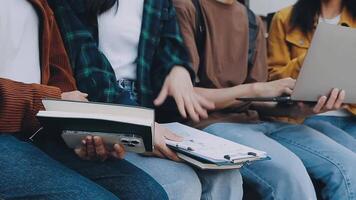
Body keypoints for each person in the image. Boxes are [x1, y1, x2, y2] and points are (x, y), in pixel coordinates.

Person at [48, 0, 242, 199]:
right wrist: (139, 124)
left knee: (225, 175)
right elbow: (89, 71)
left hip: (147, 111)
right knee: (181, 183)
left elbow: (170, 47)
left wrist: (177, 69)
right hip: (102, 114)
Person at [173, 0, 356, 199]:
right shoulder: (185, 7)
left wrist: (299, 110)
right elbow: (183, 95)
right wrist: (258, 88)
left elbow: (256, 102)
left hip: (259, 121)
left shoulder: (251, 20)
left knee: (349, 166)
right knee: (290, 174)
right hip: (210, 125)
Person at [0, 0, 168, 199]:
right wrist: (46, 101)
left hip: (37, 128)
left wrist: (78, 130)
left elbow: (58, 72)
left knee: (149, 194)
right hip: (13, 129)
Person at [268, 0, 356, 153]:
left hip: (352, 116)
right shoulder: (284, 18)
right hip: (304, 118)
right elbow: (273, 80)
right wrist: (307, 59)